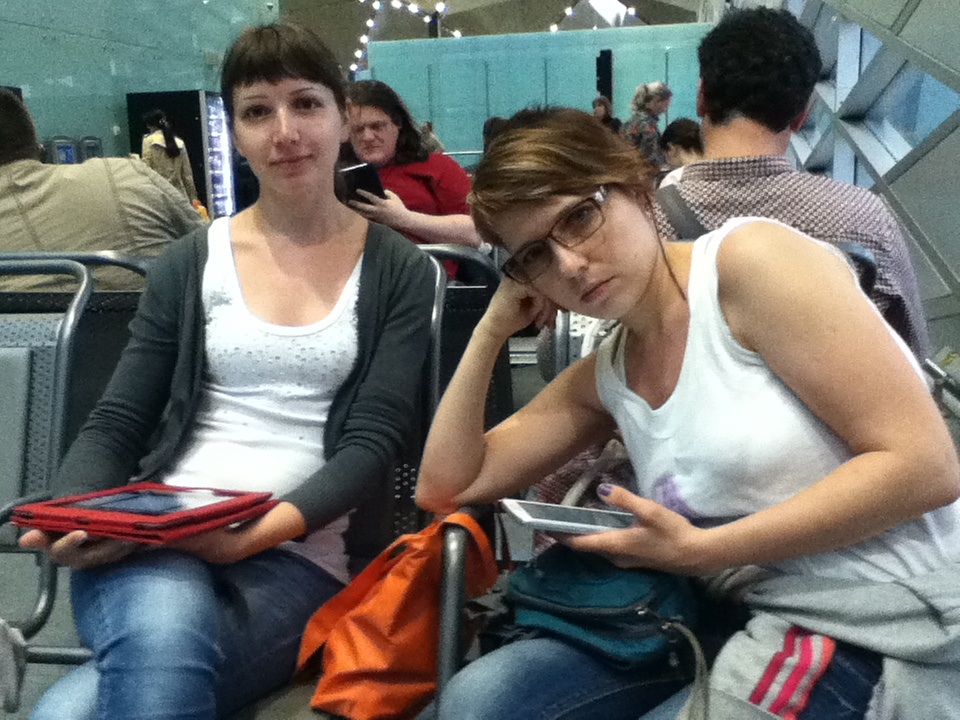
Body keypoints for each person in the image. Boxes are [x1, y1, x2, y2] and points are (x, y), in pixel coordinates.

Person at [415, 106, 960, 720]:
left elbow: (926, 466)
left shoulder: (749, 266)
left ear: (636, 187)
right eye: (534, 255)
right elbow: (446, 484)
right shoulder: (610, 371)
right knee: (479, 702)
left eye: (580, 217)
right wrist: (491, 327)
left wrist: (704, 549)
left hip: (886, 613)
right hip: (732, 611)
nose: (569, 264)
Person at [22, 22, 436, 720]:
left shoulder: (399, 269)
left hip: (299, 556)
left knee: (69, 710)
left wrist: (250, 535)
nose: (285, 132)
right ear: (236, 134)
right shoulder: (192, 262)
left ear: (342, 118)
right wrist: (79, 515)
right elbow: (119, 420)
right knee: (160, 639)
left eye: (306, 104)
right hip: (160, 531)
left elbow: (372, 442)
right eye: (257, 111)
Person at [657, 8, 928, 358]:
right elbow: (911, 355)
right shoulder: (866, 219)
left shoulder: (650, 223)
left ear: (701, 97)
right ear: (800, 117)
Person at [0, 88, 203, 291]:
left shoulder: (144, 149)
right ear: (35, 142)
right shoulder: (124, 175)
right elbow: (210, 247)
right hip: (154, 308)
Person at [346, 80, 481, 251]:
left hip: (429, 263)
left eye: (377, 126)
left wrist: (404, 219)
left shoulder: (437, 167)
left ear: (398, 123)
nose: (368, 137)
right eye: (357, 129)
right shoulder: (334, 178)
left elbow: (475, 232)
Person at [141, 109, 200, 204]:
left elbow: (146, 168)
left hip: (160, 195)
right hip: (180, 195)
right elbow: (187, 175)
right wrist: (193, 198)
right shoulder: (179, 143)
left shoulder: (148, 141)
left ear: (149, 125)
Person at [621, 81, 672, 168]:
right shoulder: (647, 125)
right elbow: (650, 156)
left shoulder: (630, 121)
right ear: (657, 100)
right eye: (665, 105)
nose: (664, 110)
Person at [657, 117, 703, 187]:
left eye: (665, 156)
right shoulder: (715, 171)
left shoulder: (672, 180)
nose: (668, 163)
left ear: (672, 149)